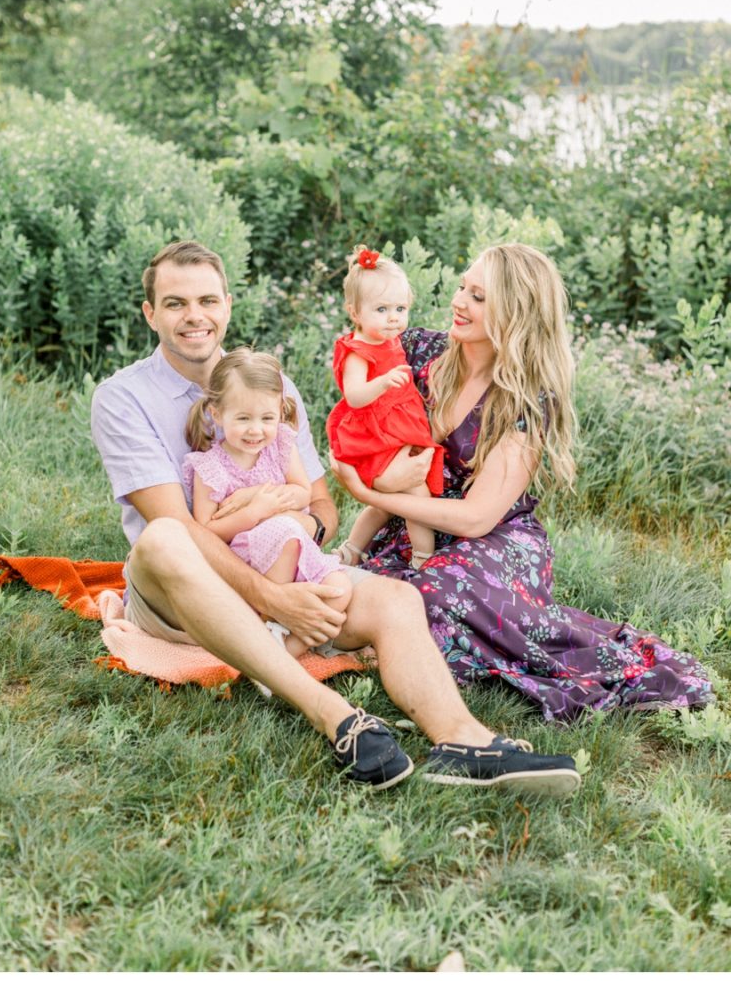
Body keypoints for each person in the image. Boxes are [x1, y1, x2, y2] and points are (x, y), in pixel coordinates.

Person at [90, 240, 581, 794]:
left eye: (207, 299)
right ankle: (339, 719)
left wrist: (302, 533)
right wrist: (274, 598)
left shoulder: (272, 388)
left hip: (284, 564)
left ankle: (463, 741)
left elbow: (323, 507)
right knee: (162, 538)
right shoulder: (122, 398)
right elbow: (178, 526)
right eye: (175, 303)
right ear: (150, 313)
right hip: (180, 593)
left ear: (228, 303)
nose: (195, 316)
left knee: (398, 598)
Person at [332, 243, 714, 720]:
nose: (459, 302)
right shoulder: (420, 354)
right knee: (360, 592)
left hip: (495, 539)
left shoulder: (526, 401)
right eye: (462, 287)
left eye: (479, 296)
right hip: (412, 524)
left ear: (515, 313)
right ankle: (392, 638)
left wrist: (368, 492)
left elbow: (476, 517)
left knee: (427, 594)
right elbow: (358, 416)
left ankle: (408, 644)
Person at [183, 347, 354, 669]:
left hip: (295, 548)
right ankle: (267, 617)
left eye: (267, 418)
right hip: (248, 562)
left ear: (279, 412)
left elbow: (304, 493)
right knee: (287, 529)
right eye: (243, 418)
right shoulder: (209, 467)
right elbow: (203, 531)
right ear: (217, 414)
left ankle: (277, 659)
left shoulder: (280, 446)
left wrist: (257, 495)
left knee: (339, 591)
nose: (256, 430)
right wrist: (255, 512)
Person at [326, 245, 444, 571]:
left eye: (400, 308)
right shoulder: (358, 350)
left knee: (386, 507)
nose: (393, 317)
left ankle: (352, 549)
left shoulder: (390, 339)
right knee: (416, 494)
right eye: (381, 309)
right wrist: (383, 383)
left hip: (394, 431)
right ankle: (423, 560)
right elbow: (354, 396)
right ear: (355, 313)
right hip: (374, 438)